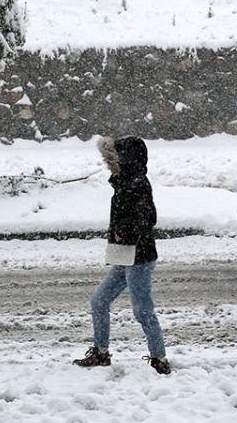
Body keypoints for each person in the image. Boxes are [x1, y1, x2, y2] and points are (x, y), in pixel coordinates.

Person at [73, 135, 171, 374]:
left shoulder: (137, 183)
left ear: (126, 158)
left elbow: (148, 218)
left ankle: (159, 359)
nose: (109, 163)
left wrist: (123, 232)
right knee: (99, 301)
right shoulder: (123, 181)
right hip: (124, 254)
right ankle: (101, 353)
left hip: (139, 256)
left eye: (114, 157)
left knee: (142, 310)